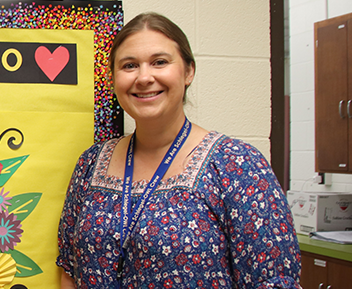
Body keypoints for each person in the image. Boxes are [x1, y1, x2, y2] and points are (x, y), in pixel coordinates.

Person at [56, 12, 301, 288]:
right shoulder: (91, 164)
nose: (144, 77)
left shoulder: (237, 165)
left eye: (159, 62)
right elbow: (70, 270)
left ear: (188, 72)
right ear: (113, 78)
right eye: (129, 65)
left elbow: (272, 281)